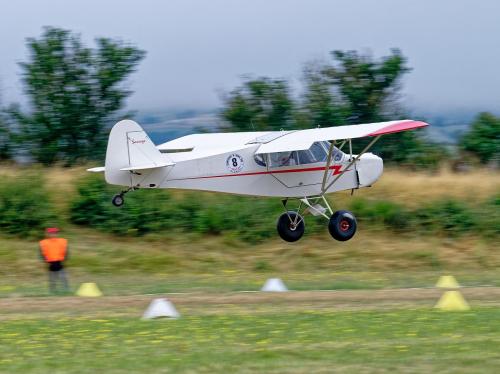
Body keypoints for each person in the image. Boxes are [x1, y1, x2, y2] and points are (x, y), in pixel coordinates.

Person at [39, 227, 69, 294]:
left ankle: (67, 292)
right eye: (51, 233)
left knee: (63, 278)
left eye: (55, 233)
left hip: (60, 262)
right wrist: (45, 262)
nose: (53, 234)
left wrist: (65, 260)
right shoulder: (43, 243)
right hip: (50, 263)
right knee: (52, 279)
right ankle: (52, 292)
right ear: (47, 234)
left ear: (57, 233)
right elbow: (41, 253)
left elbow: (66, 252)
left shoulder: (63, 241)